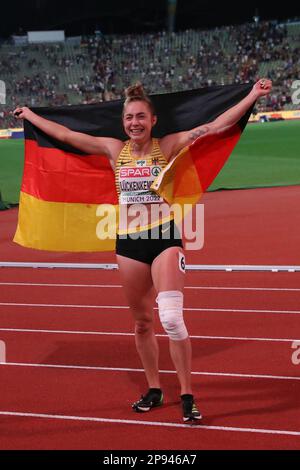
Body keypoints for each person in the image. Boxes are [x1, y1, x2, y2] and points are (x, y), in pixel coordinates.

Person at [14, 78, 272, 422]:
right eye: (129, 118)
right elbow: (66, 136)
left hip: (164, 235)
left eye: (140, 117)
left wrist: (253, 95)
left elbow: (215, 126)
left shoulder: (167, 146)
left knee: (171, 318)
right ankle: (154, 388)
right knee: (142, 323)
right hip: (128, 244)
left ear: (153, 121)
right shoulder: (111, 149)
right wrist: (31, 115)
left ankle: (187, 394)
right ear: (123, 123)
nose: (134, 123)